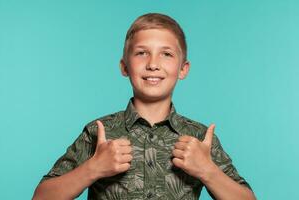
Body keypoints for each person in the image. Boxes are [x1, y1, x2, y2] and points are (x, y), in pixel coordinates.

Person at [33, 13, 256, 200]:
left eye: (166, 54)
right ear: (124, 67)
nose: (152, 64)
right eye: (142, 53)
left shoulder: (199, 139)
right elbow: (41, 197)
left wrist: (208, 171)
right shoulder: (99, 132)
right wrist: (93, 168)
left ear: (183, 69)